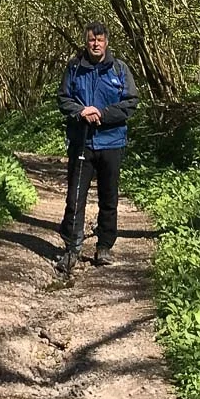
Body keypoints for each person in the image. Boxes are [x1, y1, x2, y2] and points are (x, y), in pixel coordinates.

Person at [55, 22, 137, 274]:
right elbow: (63, 99)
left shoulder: (120, 69)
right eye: (91, 40)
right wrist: (81, 111)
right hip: (82, 142)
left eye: (100, 40)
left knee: (109, 197)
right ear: (86, 41)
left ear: (107, 42)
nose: (95, 44)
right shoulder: (74, 67)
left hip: (112, 142)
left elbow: (131, 102)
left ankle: (104, 247)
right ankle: (72, 249)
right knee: (75, 198)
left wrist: (103, 113)